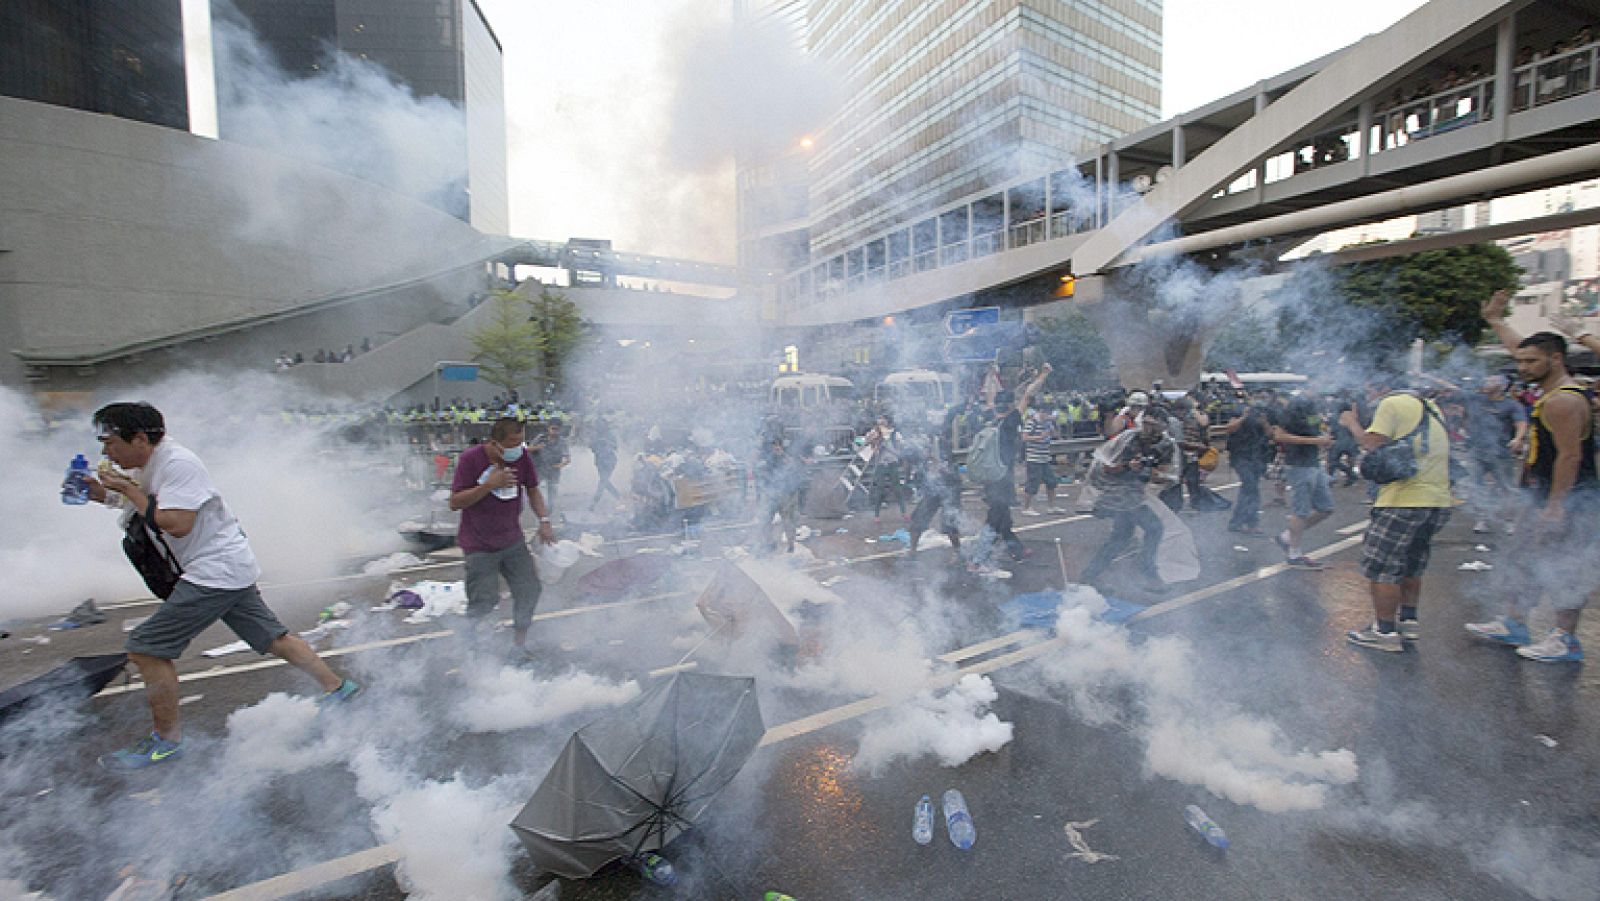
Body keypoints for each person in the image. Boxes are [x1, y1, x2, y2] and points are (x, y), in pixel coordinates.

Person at [82, 403, 359, 770]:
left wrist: (129, 491)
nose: (106, 452)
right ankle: (338, 689)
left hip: (215, 571)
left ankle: (165, 742)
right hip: (227, 567)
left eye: (110, 442)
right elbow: (143, 507)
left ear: (139, 438)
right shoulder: (149, 465)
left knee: (147, 648)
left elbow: (176, 523)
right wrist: (102, 494)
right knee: (273, 637)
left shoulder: (178, 463)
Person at [1464, 291, 1594, 662]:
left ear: (1556, 359)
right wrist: (1495, 320)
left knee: (1564, 565)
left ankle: (1565, 639)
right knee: (1520, 557)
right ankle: (1513, 622)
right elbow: (1522, 348)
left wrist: (1555, 508)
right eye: (1519, 361)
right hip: (1539, 496)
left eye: (1530, 362)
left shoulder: (1563, 401)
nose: (1522, 368)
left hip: (1568, 500)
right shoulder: (1550, 388)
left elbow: (1570, 456)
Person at [1338, 375, 1452, 652]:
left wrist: (1351, 423)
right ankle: (1408, 621)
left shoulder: (1392, 404)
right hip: (1436, 499)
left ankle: (1385, 632)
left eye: (1369, 390)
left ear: (1380, 387)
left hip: (1404, 498)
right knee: (1412, 563)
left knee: (1383, 568)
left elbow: (1372, 443)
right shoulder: (1430, 407)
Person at [449, 417, 557, 661]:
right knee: (484, 601)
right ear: (495, 443)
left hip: (512, 540)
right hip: (479, 545)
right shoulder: (470, 459)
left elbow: (532, 489)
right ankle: (470, 646)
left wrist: (544, 520)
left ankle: (519, 646)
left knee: (529, 589)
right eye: (512, 442)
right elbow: (455, 502)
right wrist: (488, 485)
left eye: (521, 441)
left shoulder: (522, 458)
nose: (518, 447)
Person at [1081, 409, 1176, 592]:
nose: (1148, 429)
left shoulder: (1165, 445)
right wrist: (1128, 466)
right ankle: (1147, 571)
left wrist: (1152, 472)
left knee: (1121, 538)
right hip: (1117, 492)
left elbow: (1164, 473)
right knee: (1154, 528)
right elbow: (1108, 467)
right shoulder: (1129, 440)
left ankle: (1090, 575)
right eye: (1146, 424)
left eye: (1154, 425)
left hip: (1135, 492)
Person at [979, 366, 1051, 565]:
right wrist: (1043, 374)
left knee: (1003, 519)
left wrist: (992, 376)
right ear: (1010, 405)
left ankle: (1016, 550)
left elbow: (991, 397)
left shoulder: (989, 419)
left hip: (989, 477)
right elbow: (1027, 396)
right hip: (1002, 478)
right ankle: (978, 560)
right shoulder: (1011, 421)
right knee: (995, 520)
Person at [1271, 392, 1336, 568]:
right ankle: (1294, 553)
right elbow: (1279, 436)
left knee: (1326, 508)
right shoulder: (1292, 411)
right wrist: (1313, 441)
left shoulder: (1314, 409)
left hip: (1314, 463)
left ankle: (1286, 537)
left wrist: (1324, 439)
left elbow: (1316, 430)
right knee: (1300, 511)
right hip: (1298, 465)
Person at [1461, 374, 1528, 535]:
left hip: (1501, 453)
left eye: (1491, 381)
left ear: (1502, 386)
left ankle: (1509, 521)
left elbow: (1521, 423)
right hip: (1477, 451)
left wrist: (1518, 439)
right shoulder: (1477, 399)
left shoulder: (1511, 405)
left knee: (1507, 488)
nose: (1485, 382)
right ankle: (1481, 519)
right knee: (1477, 487)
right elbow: (1454, 391)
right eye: (1486, 380)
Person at [1223, 394, 1274, 533]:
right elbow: (1230, 428)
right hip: (1240, 456)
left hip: (1257, 456)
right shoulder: (1239, 411)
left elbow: (1271, 434)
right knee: (1251, 488)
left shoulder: (1264, 414)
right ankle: (1250, 522)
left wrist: (1264, 422)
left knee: (1249, 489)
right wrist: (1244, 417)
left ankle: (1238, 522)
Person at [1019, 408, 1063, 515]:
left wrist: (1054, 427)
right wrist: (1040, 437)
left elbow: (1056, 436)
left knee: (1051, 482)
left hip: (1045, 458)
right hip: (1034, 458)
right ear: (1040, 412)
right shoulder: (1031, 422)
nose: (1045, 415)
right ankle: (1026, 507)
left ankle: (1051, 506)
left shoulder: (1048, 423)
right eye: (1044, 413)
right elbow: (1024, 437)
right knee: (1033, 483)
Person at [531, 420, 570, 521]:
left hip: (554, 470)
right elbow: (528, 449)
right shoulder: (541, 438)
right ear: (548, 428)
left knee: (552, 492)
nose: (554, 431)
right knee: (534, 488)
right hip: (541, 468)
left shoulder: (562, 442)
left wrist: (560, 465)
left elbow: (568, 459)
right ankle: (536, 506)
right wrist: (537, 447)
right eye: (552, 429)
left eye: (557, 429)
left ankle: (548, 513)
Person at [588, 415, 622, 511]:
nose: (599, 427)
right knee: (604, 481)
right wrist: (596, 443)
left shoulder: (610, 434)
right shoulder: (594, 435)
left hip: (610, 460)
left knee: (603, 481)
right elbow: (590, 447)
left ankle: (594, 502)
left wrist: (606, 442)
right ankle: (619, 497)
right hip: (599, 461)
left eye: (601, 425)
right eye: (598, 425)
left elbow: (615, 447)